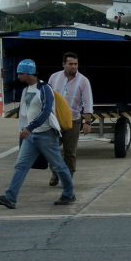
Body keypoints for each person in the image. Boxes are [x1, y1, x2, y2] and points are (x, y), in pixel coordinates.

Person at [0, 59, 75, 209]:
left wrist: (29, 127)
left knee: (58, 166)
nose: (18, 77)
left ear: (28, 73)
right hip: (31, 136)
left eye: (20, 74)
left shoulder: (44, 89)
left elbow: (46, 111)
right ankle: (10, 198)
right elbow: (25, 114)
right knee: (21, 165)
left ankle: (69, 194)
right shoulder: (26, 90)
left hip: (46, 135)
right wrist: (23, 130)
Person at [47, 52, 93, 187]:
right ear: (64, 65)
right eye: (71, 64)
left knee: (70, 152)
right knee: (52, 149)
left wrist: (87, 122)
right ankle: (55, 173)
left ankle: (68, 177)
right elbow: (47, 97)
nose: (74, 67)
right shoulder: (54, 77)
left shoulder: (83, 81)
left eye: (76, 64)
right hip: (55, 121)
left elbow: (87, 102)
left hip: (73, 121)